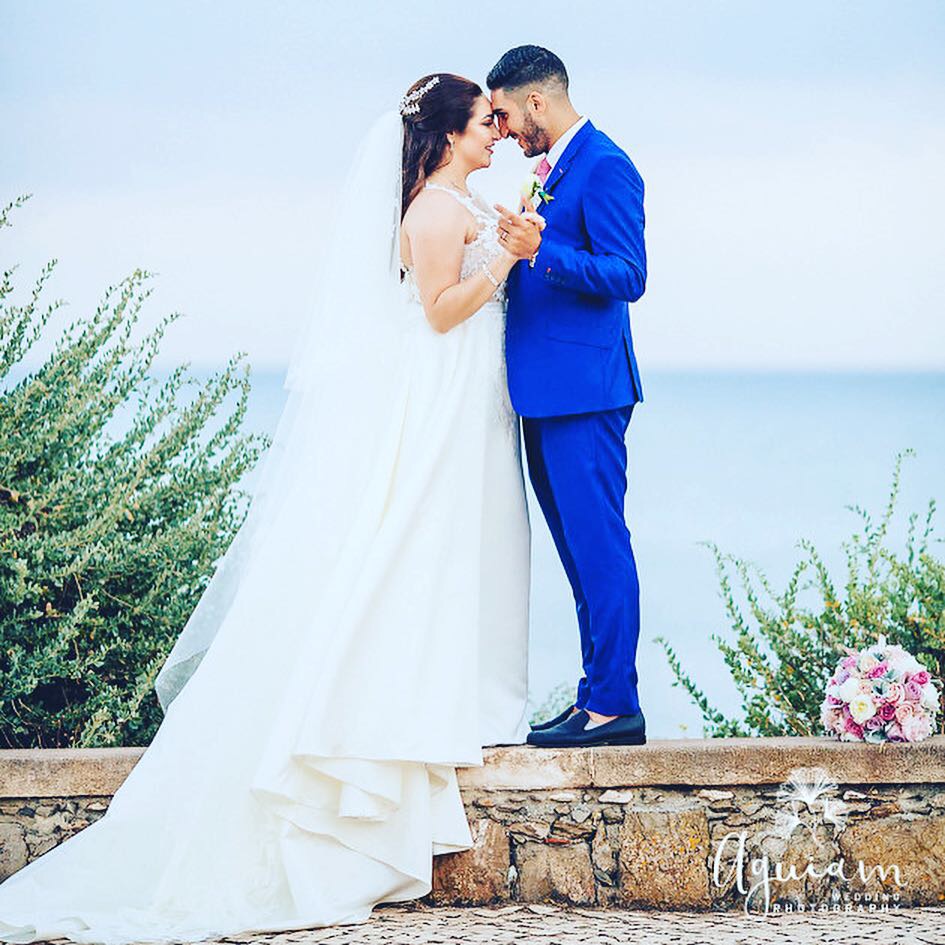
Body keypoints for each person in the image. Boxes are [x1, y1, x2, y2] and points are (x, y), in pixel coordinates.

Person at [0, 73, 541, 945]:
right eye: (484, 121)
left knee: (446, 549)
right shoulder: (436, 211)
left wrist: (510, 236)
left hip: (465, 392)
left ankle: (459, 698)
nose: (495, 131)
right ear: (447, 134)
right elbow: (442, 313)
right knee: (416, 547)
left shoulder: (463, 201)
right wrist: (508, 256)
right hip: (442, 386)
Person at [487, 46, 649, 748]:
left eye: (504, 115)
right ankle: (594, 695)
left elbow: (628, 274)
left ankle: (616, 706)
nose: (502, 131)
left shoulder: (606, 165)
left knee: (600, 547)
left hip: (585, 394)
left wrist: (539, 251)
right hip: (544, 395)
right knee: (578, 554)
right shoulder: (553, 169)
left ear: (537, 102)